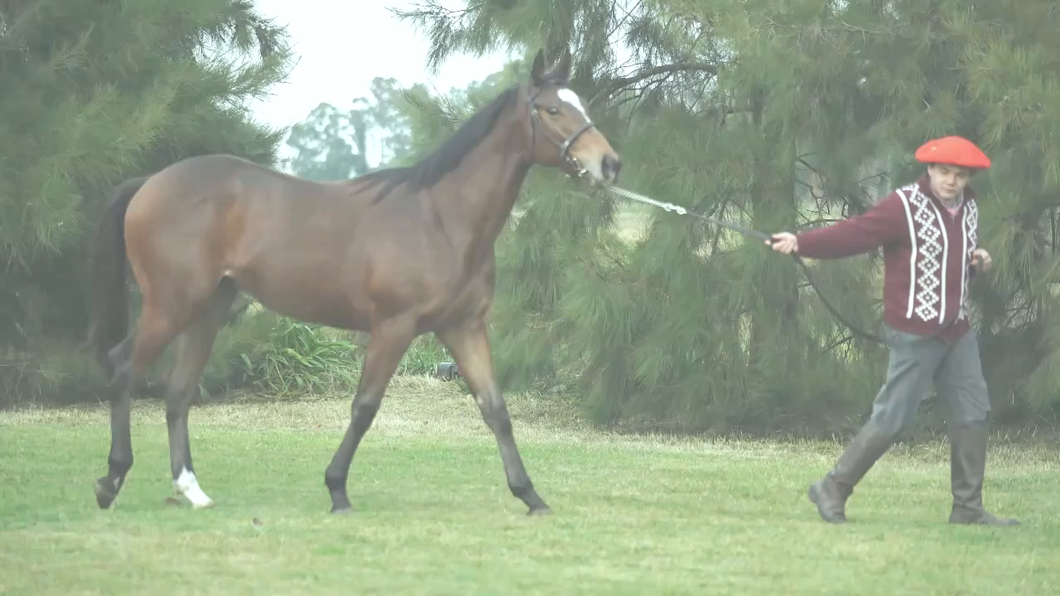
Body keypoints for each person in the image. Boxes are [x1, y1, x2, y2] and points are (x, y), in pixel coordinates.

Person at [769, 136, 1018, 526]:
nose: (952, 181)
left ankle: (967, 509)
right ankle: (832, 488)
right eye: (944, 172)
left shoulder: (968, 206)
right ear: (930, 170)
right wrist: (801, 242)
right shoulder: (903, 206)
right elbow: (854, 233)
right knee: (892, 418)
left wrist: (977, 262)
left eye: (960, 175)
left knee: (973, 414)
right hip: (915, 331)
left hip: (957, 330)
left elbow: (951, 259)